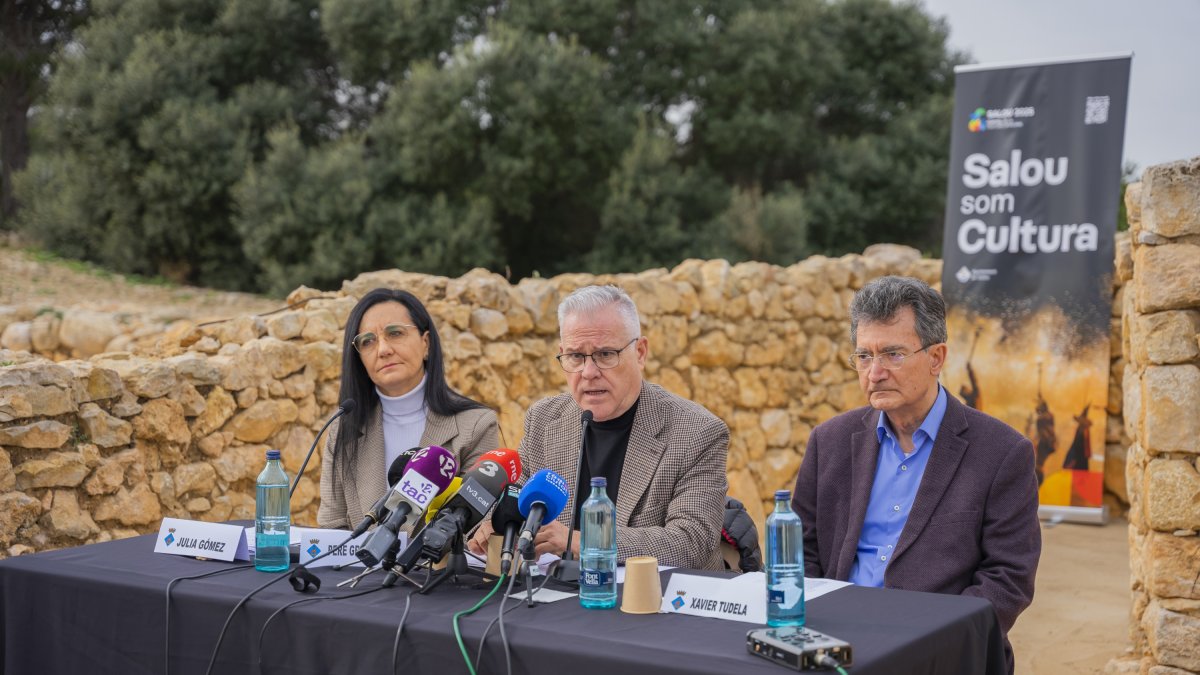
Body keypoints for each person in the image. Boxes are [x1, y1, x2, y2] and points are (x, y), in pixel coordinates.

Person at [791, 276, 1040, 674]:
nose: (875, 372)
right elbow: (801, 552)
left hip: (939, 653)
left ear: (936, 358)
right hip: (833, 644)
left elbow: (1008, 578)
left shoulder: (1002, 453)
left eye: (892, 354)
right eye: (864, 356)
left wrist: (933, 641)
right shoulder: (830, 441)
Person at [469, 285, 729, 570]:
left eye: (606, 354)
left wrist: (580, 541)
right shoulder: (543, 419)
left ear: (640, 353)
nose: (589, 372)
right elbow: (516, 497)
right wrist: (491, 523)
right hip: (552, 598)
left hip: (651, 605)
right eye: (575, 357)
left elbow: (691, 542)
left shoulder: (697, 431)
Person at [317, 288, 500, 530]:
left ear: (426, 344)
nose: (383, 350)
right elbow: (332, 529)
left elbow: (477, 530)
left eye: (395, 333)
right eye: (368, 341)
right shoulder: (344, 428)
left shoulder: (476, 426)